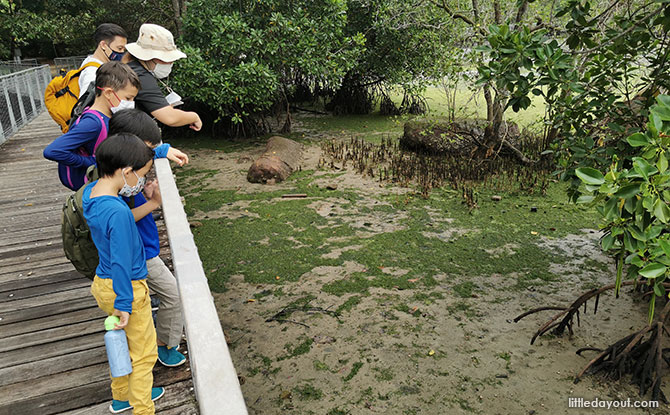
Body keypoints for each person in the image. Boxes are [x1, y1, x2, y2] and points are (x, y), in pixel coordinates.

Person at [82, 134, 164, 414]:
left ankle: (120, 397)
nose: (140, 183)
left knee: (120, 343)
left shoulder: (91, 192)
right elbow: (121, 261)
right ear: (126, 171)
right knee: (143, 355)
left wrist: (151, 202)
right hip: (125, 287)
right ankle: (143, 409)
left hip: (102, 283)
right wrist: (124, 302)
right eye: (140, 176)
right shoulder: (117, 211)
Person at [109, 109, 188, 366]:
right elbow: (121, 219)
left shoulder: (116, 168)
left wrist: (163, 150)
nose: (148, 160)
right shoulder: (114, 187)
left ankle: (160, 336)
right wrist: (154, 202)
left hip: (144, 247)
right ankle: (164, 345)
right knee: (173, 295)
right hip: (138, 253)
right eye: (148, 152)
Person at [44, 61, 140, 191]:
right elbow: (53, 151)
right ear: (108, 93)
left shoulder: (108, 114)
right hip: (94, 187)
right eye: (128, 98)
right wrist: (90, 163)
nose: (131, 103)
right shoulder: (93, 123)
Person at [123, 23, 202, 131]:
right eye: (165, 58)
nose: (170, 62)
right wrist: (194, 117)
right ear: (148, 57)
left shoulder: (129, 68)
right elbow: (170, 117)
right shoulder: (139, 76)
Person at [78, 23, 129, 98]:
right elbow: (85, 103)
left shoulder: (100, 64)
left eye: (123, 49)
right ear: (103, 45)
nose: (122, 52)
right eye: (119, 48)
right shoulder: (92, 72)